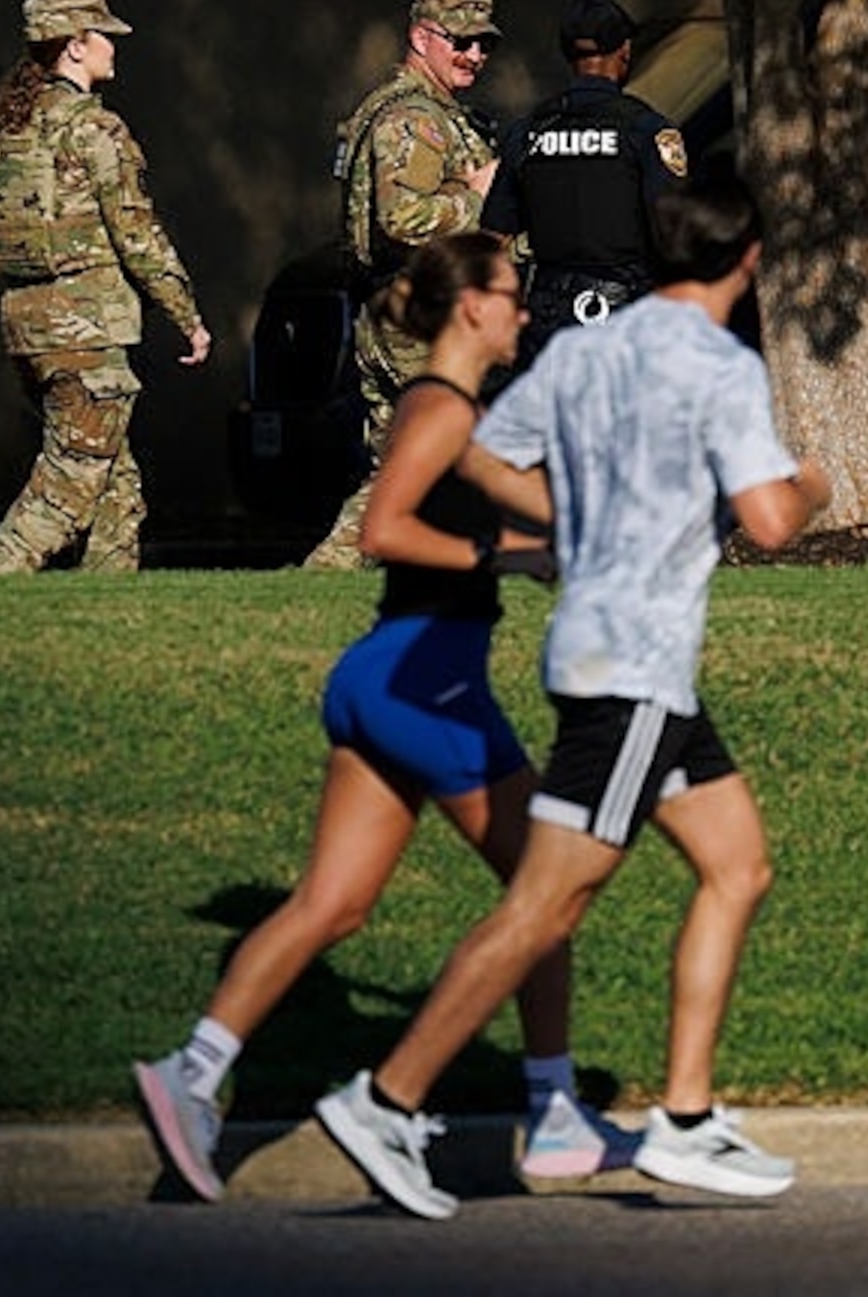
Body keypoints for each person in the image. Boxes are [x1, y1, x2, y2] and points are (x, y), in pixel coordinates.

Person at [312, 180, 834, 1221]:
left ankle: (685, 1117)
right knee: (541, 907)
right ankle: (387, 1098)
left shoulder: (590, 351)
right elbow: (771, 522)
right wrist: (815, 483)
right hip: (629, 671)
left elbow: (485, 451)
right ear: (752, 259)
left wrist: (584, 522)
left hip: (624, 663)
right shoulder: (721, 367)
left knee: (739, 866)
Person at [132, 232, 629, 1202]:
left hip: (384, 674)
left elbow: (490, 520)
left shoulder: (448, 411)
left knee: (334, 904)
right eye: (511, 295)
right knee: (544, 892)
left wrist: (551, 545)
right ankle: (541, 1108)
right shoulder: (440, 408)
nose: (525, 310)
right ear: (471, 307)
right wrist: (499, 560)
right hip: (424, 682)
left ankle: (189, 1077)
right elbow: (383, 529)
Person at [0, 0, 212, 571]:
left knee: (116, 490)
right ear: (76, 47)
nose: (113, 46)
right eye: (103, 35)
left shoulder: (0, 136)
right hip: (89, 332)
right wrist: (188, 317)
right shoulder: (96, 131)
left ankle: (103, 624)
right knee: (71, 482)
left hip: (32, 333)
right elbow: (137, 235)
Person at [303, 0, 504, 570]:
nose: (474, 56)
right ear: (422, 37)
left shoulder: (435, 111)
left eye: (484, 44)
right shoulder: (412, 119)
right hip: (419, 312)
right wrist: (477, 199)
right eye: (460, 42)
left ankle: (330, 577)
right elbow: (402, 218)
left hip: (411, 307)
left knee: (402, 463)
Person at [482, 0, 689, 372]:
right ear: (624, 51)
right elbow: (674, 233)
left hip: (546, 320)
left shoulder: (526, 134)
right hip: (627, 318)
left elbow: (493, 239)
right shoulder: (645, 131)